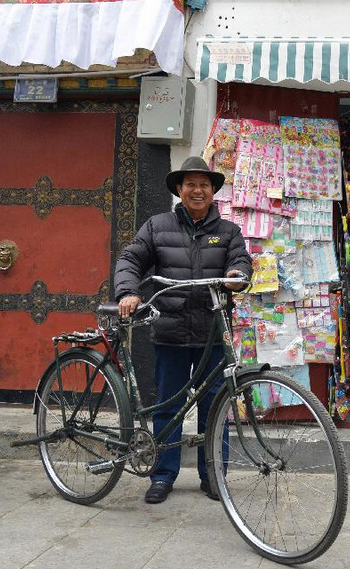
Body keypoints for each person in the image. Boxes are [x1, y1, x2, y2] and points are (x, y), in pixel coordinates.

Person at [114, 155, 253, 504]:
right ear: (179, 189)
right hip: (170, 331)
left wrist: (237, 277)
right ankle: (162, 475)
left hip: (211, 333)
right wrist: (128, 291)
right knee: (168, 407)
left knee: (215, 407)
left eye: (204, 185)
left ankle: (214, 477)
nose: (197, 190)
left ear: (212, 191)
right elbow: (131, 259)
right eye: (190, 184)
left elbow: (240, 262)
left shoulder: (228, 232)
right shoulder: (157, 226)